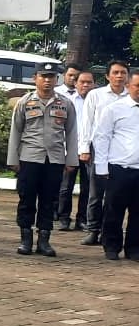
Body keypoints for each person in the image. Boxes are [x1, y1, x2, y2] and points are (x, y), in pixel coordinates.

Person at [8, 62, 78, 257]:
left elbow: (72, 133)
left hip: (54, 159)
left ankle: (44, 240)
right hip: (29, 157)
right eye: (43, 76)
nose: (47, 80)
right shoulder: (25, 102)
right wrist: (13, 159)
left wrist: (71, 160)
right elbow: (16, 131)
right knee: (26, 199)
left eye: (51, 77)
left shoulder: (65, 103)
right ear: (35, 78)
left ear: (57, 79)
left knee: (49, 200)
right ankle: (26, 239)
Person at [77, 60, 130, 247]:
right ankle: (93, 230)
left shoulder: (131, 96)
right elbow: (86, 122)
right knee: (95, 193)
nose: (119, 76)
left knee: (115, 195)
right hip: (98, 149)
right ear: (107, 76)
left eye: (123, 73)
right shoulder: (96, 95)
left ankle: (109, 232)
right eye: (115, 72)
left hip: (121, 151)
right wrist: (84, 149)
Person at [92, 70, 139, 261]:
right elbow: (102, 138)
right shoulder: (114, 109)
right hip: (119, 167)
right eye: (137, 86)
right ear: (128, 86)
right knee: (113, 209)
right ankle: (111, 245)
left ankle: (134, 248)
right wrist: (101, 167)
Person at [58, 70, 95, 231]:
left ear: (94, 84)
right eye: (82, 82)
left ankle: (82, 219)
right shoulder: (68, 102)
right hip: (71, 148)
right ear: (75, 83)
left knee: (88, 187)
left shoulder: (98, 102)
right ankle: (63, 218)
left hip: (91, 150)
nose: (85, 85)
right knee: (66, 186)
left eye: (89, 82)